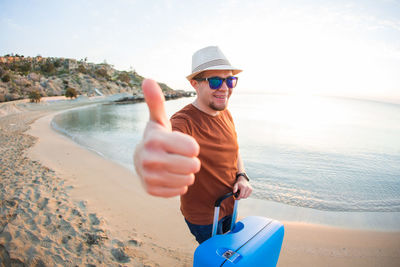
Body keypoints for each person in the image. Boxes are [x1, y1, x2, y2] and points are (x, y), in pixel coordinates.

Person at [134, 46, 253, 244]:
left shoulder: (225, 113)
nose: (224, 88)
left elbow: (235, 148)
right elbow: (165, 147)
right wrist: (152, 160)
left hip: (231, 205)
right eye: (215, 81)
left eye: (230, 80)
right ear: (194, 84)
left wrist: (242, 176)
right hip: (204, 217)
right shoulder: (183, 122)